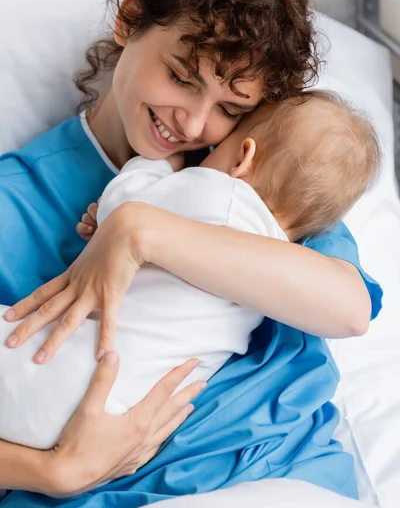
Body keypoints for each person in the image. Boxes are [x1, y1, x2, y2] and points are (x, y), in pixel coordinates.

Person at [0, 0, 381, 507]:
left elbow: (349, 308)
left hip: (276, 468)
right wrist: (51, 472)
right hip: (106, 492)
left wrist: (140, 231)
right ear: (129, 19)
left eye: (231, 107)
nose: (195, 125)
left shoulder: (258, 173)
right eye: (181, 77)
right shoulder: (16, 200)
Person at [0, 91, 380, 455]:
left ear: (242, 156)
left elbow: (121, 204)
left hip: (56, 375)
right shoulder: (279, 258)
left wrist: (157, 165)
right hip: (124, 416)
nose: (194, 126)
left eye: (229, 114)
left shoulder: (221, 194)